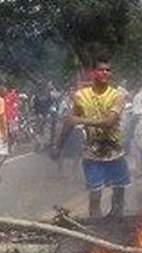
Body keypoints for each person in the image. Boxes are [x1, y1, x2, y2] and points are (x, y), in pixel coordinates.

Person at [54, 58, 131, 218]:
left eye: (108, 70)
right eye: (101, 70)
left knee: (118, 195)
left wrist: (80, 120)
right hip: (92, 153)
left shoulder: (118, 95)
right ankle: (96, 231)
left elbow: (109, 122)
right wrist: (59, 145)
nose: (105, 73)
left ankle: (116, 228)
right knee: (95, 196)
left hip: (114, 151)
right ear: (93, 73)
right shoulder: (80, 96)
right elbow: (69, 122)